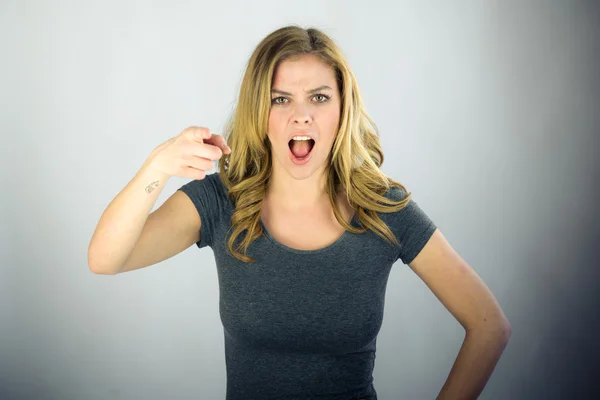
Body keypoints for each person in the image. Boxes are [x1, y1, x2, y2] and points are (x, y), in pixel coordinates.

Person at [88, 25, 511, 400]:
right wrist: (157, 167)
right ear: (260, 111)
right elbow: (106, 259)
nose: (301, 115)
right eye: (281, 99)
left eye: (319, 97)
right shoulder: (221, 202)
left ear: (342, 108)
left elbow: (489, 325)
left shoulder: (384, 208)